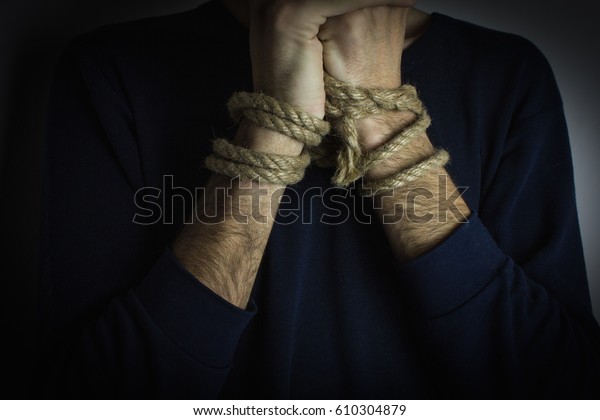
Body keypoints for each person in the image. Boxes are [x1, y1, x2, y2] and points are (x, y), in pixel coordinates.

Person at [37, 0, 600, 398]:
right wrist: (273, 122)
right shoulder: (112, 69)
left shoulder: (507, 73)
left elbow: (560, 394)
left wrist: (381, 111)